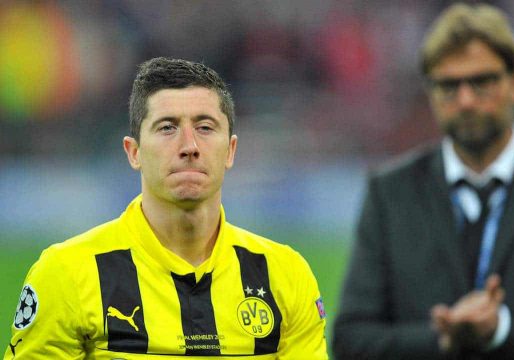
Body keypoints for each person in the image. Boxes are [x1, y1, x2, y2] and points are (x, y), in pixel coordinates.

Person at [5, 57, 328, 359]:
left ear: (230, 151)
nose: (189, 146)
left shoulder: (284, 274)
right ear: (134, 153)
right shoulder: (67, 273)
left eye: (205, 127)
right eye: (167, 127)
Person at [333, 3, 514, 359]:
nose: (466, 100)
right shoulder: (390, 194)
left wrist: (502, 331)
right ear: (430, 94)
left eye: (482, 81)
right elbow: (351, 340)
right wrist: (442, 339)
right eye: (448, 86)